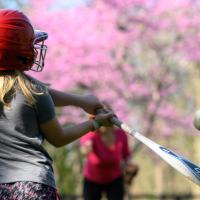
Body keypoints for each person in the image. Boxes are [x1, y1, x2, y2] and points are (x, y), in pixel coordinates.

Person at [0, 9, 114, 200]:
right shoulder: (35, 91)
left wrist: (82, 101)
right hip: (35, 186)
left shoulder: (35, 91)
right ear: (21, 54)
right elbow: (58, 138)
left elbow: (42, 94)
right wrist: (95, 123)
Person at [80, 103, 136, 200]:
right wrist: (86, 149)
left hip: (115, 179)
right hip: (92, 180)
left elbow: (126, 155)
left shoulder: (121, 135)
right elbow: (84, 149)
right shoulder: (91, 133)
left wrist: (129, 165)